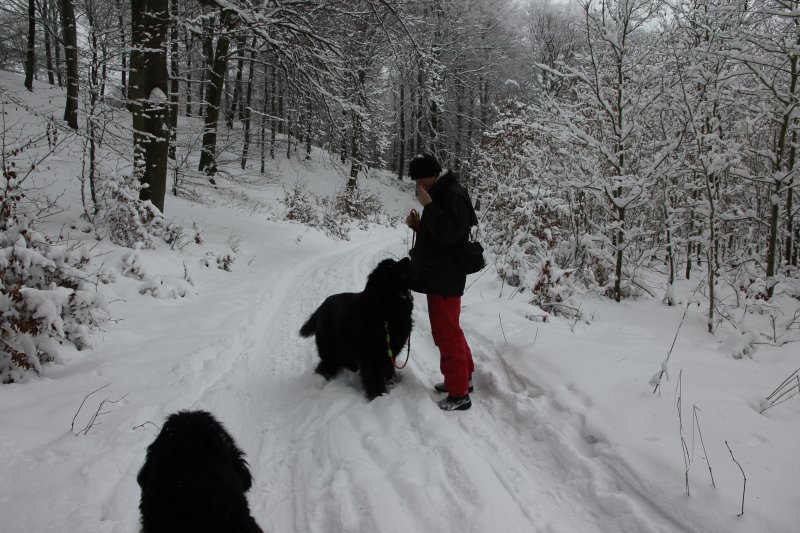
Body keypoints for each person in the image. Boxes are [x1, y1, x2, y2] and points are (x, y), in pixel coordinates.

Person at [405, 153, 478, 411]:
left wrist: (429, 207)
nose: (419, 185)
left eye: (422, 179)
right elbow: (440, 234)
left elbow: (451, 235)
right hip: (439, 274)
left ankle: (459, 394)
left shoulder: (452, 194)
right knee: (451, 330)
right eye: (416, 181)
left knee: (446, 334)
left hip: (446, 276)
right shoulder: (441, 191)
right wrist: (418, 226)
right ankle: (464, 378)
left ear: (434, 174)